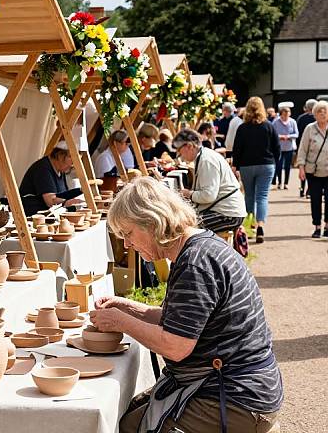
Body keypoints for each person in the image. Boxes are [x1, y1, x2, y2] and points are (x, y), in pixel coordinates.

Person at [90, 177, 283, 433]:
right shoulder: (202, 246)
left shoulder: (195, 264)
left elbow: (176, 346)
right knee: (131, 409)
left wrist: (120, 321)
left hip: (237, 396)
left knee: (131, 427)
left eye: (128, 234)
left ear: (152, 222)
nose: (126, 245)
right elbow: (182, 322)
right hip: (240, 385)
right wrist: (129, 307)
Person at [172, 129, 246, 233]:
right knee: (184, 223)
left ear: (189, 146)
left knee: (184, 230)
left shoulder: (206, 160)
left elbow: (209, 196)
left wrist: (189, 194)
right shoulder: (204, 156)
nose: (179, 155)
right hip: (225, 211)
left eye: (179, 150)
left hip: (228, 214)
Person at [232, 97, 280, 243]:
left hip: (247, 165)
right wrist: (274, 161)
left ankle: (249, 225)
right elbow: (276, 147)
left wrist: (236, 165)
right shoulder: (269, 126)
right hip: (266, 164)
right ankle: (260, 225)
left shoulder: (242, 127)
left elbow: (237, 149)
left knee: (249, 196)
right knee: (262, 197)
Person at [19, 144, 83, 216]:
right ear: (59, 155)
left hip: (47, 216)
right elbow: (50, 200)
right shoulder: (43, 168)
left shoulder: (60, 169)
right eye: (71, 157)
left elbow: (61, 195)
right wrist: (66, 202)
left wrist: (81, 191)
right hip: (32, 216)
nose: (73, 164)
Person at [297, 100, 328, 238]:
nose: (322, 114)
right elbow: (303, 149)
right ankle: (317, 226)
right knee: (315, 199)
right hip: (313, 171)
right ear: (314, 114)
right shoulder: (310, 128)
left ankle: (327, 225)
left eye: (325, 111)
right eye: (319, 112)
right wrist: (301, 167)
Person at [272, 107, 298, 189]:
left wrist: (288, 136)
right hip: (279, 148)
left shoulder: (292, 122)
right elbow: (272, 133)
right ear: (281, 114)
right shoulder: (276, 122)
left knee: (287, 166)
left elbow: (296, 134)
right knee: (279, 166)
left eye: (287, 113)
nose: (286, 115)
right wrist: (280, 136)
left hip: (289, 148)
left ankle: (286, 183)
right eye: (284, 114)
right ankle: (279, 182)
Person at [297, 99, 317, 197]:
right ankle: (309, 189)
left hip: (302, 146)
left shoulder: (301, 118)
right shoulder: (317, 119)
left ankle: (302, 188)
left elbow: (297, 133)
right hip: (314, 148)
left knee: (302, 168)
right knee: (311, 169)